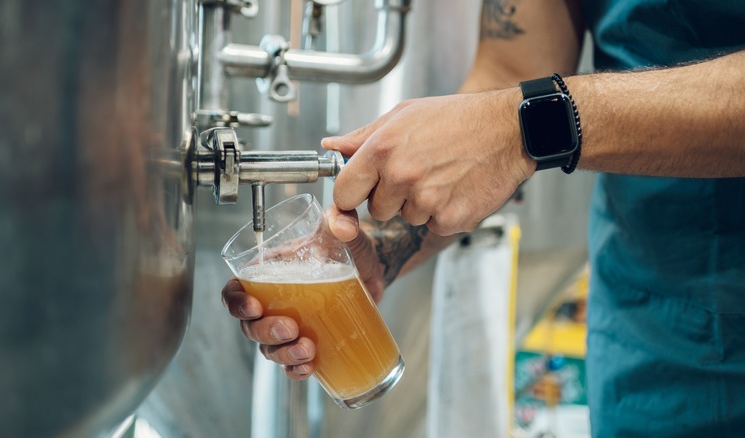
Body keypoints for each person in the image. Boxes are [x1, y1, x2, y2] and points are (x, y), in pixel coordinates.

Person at [223, 1, 745, 436]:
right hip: (651, 330)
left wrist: (522, 126)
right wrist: (384, 243)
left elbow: (514, 115)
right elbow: (514, 64)